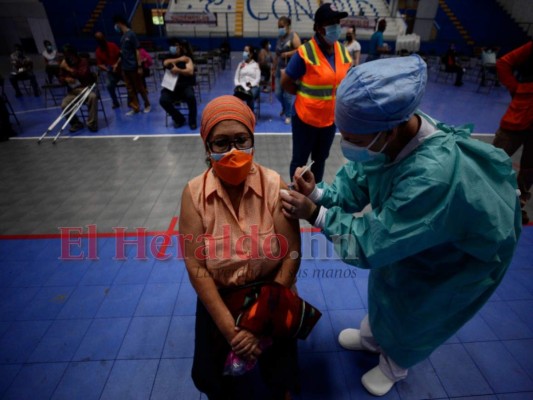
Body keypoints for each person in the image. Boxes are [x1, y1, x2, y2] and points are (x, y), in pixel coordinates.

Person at [279, 55, 521, 396]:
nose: (348, 146)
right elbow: (361, 178)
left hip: (459, 254)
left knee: (417, 306)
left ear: (388, 131)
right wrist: (319, 193)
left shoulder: (431, 176)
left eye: (355, 141)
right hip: (418, 226)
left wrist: (316, 214)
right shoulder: (391, 136)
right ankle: (373, 337)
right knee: (390, 284)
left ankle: (396, 365)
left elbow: (370, 245)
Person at [179, 95, 302, 399]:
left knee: (282, 368)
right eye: (221, 143)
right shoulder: (194, 194)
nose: (233, 150)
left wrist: (257, 322)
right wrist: (232, 331)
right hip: (222, 292)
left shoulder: (274, 186)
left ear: (252, 140)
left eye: (241, 139)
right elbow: (197, 267)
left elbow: (291, 257)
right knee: (210, 375)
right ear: (208, 149)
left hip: (271, 288)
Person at [281, 2, 352, 183]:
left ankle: (315, 195)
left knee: (320, 161)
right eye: (331, 23)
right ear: (319, 28)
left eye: (338, 22)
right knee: (300, 161)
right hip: (305, 120)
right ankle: (297, 194)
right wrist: (302, 94)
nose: (337, 27)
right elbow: (286, 82)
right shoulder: (305, 53)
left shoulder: (343, 52)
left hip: (329, 122)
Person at [493, 40, 533, 225]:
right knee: (493, 159)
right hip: (520, 113)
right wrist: (516, 88)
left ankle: (518, 205)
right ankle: (483, 198)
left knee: (529, 169)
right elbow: (503, 63)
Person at [113, 15, 151, 115]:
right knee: (130, 89)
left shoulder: (131, 35)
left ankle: (147, 104)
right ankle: (135, 107)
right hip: (125, 68)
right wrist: (117, 64)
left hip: (133, 66)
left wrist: (139, 66)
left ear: (119, 23)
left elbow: (138, 50)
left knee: (140, 87)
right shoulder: (122, 37)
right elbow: (123, 53)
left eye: (116, 24)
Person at [159, 38, 197, 129]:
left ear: (179, 47)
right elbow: (165, 63)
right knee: (163, 100)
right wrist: (180, 59)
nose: (172, 47)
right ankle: (179, 119)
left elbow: (190, 71)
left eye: (175, 45)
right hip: (170, 87)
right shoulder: (167, 56)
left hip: (185, 86)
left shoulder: (188, 57)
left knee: (191, 97)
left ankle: (192, 121)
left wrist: (178, 70)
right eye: (171, 45)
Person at [59, 44, 98, 133]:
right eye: (65, 55)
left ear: (73, 54)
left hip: (85, 89)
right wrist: (65, 79)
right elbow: (60, 79)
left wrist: (68, 69)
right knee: (64, 105)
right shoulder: (64, 63)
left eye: (68, 55)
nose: (67, 57)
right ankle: (76, 123)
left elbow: (83, 74)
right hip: (73, 92)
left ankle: (91, 123)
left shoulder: (83, 62)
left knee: (93, 97)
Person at [273, 16, 301, 125]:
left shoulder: (293, 36)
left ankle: (289, 115)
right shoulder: (279, 38)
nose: (280, 28)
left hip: (290, 70)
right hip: (279, 69)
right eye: (278, 27)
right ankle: (285, 107)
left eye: (282, 26)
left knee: (287, 95)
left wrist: (288, 54)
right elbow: (276, 53)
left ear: (288, 26)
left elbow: (300, 50)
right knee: (278, 93)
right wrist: (273, 66)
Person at [94, 31, 122, 109]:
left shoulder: (112, 45)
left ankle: (131, 100)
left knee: (130, 82)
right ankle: (115, 102)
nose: (101, 41)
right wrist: (107, 69)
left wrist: (116, 64)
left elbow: (120, 56)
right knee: (109, 85)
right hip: (111, 72)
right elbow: (100, 64)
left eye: (101, 39)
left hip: (121, 69)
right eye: (98, 40)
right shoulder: (98, 51)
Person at [233, 45, 261, 112]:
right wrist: (238, 85)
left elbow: (258, 78)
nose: (244, 53)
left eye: (246, 51)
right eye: (244, 51)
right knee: (235, 96)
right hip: (242, 86)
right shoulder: (240, 64)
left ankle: (250, 116)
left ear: (251, 54)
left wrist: (251, 84)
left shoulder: (256, 65)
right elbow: (236, 78)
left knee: (249, 96)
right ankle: (239, 114)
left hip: (253, 87)